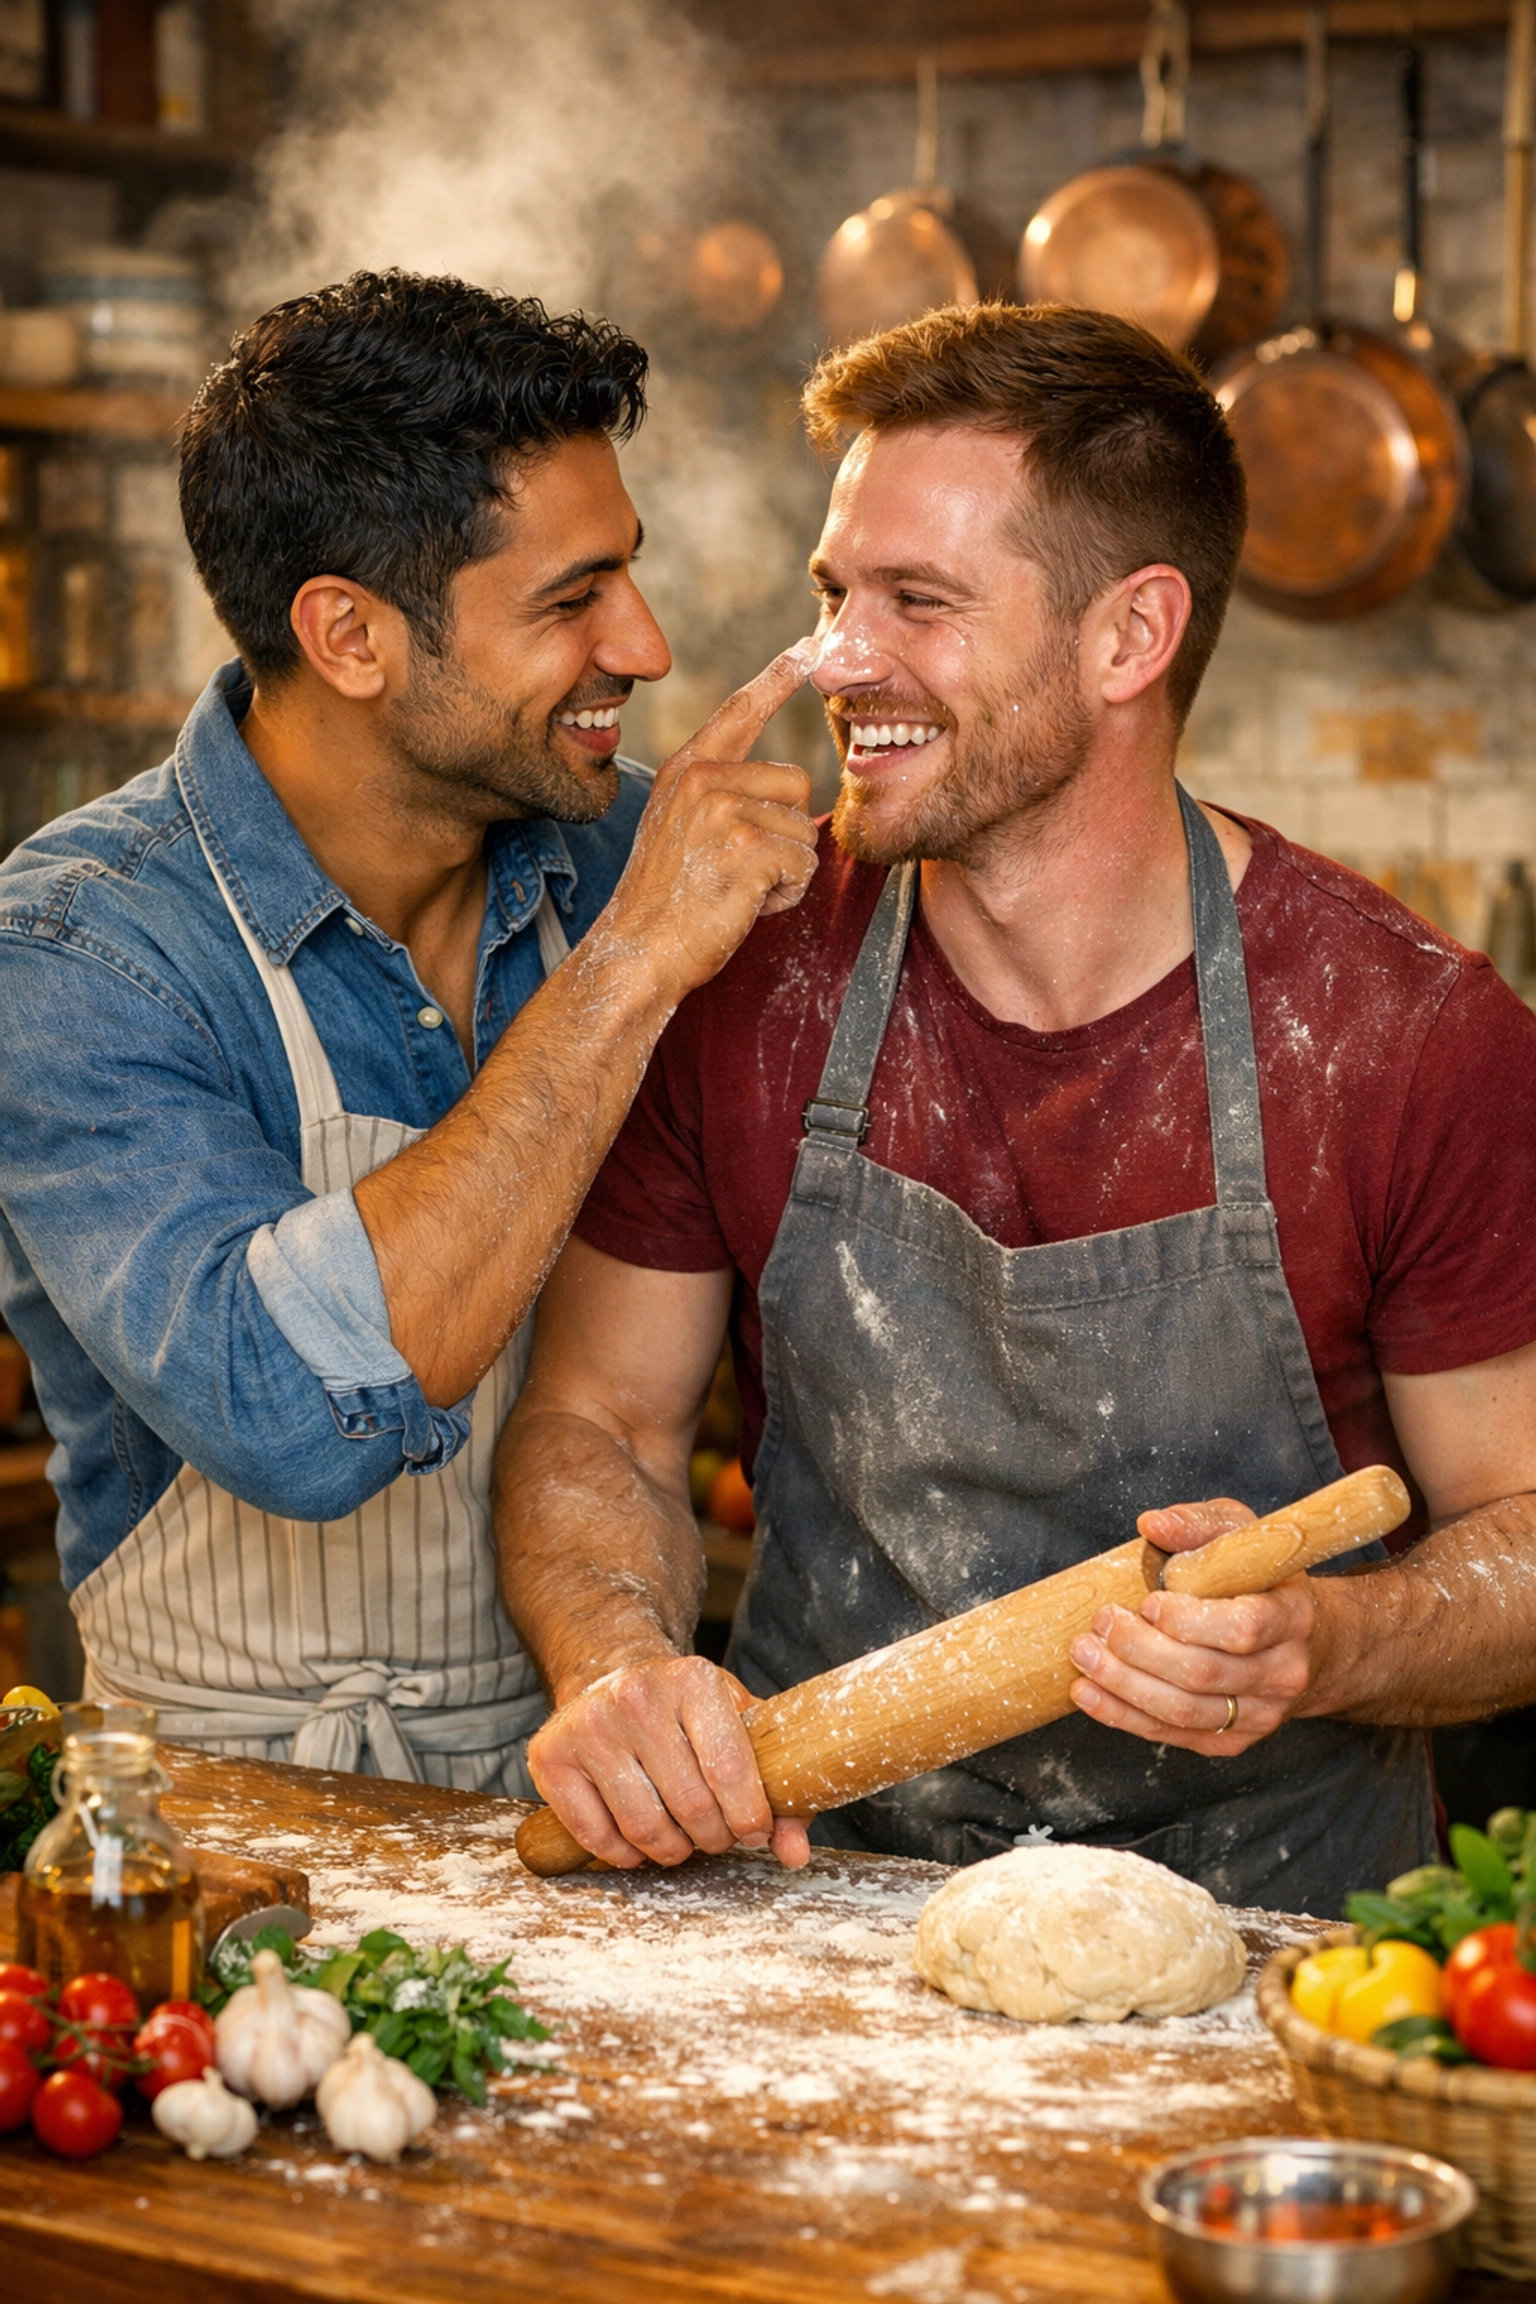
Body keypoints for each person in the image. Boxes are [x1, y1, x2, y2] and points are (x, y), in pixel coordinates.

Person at [497, 301, 1536, 1914]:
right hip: (810, 1914)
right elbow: (601, 1423)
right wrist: (620, 1662)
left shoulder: (1405, 1035)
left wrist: (1332, 1641)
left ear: (1131, 637)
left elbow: (1521, 1535)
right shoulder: (741, 971)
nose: (842, 656)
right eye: (836, 594)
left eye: (920, 601)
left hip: (1268, 1945)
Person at [0, 269, 818, 1790]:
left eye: (624, 573)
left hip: (608, 1777)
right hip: (222, 1821)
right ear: (350, 636)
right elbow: (295, 1414)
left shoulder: (618, 846)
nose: (642, 645)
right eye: (571, 599)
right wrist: (632, 962)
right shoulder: (81, 950)